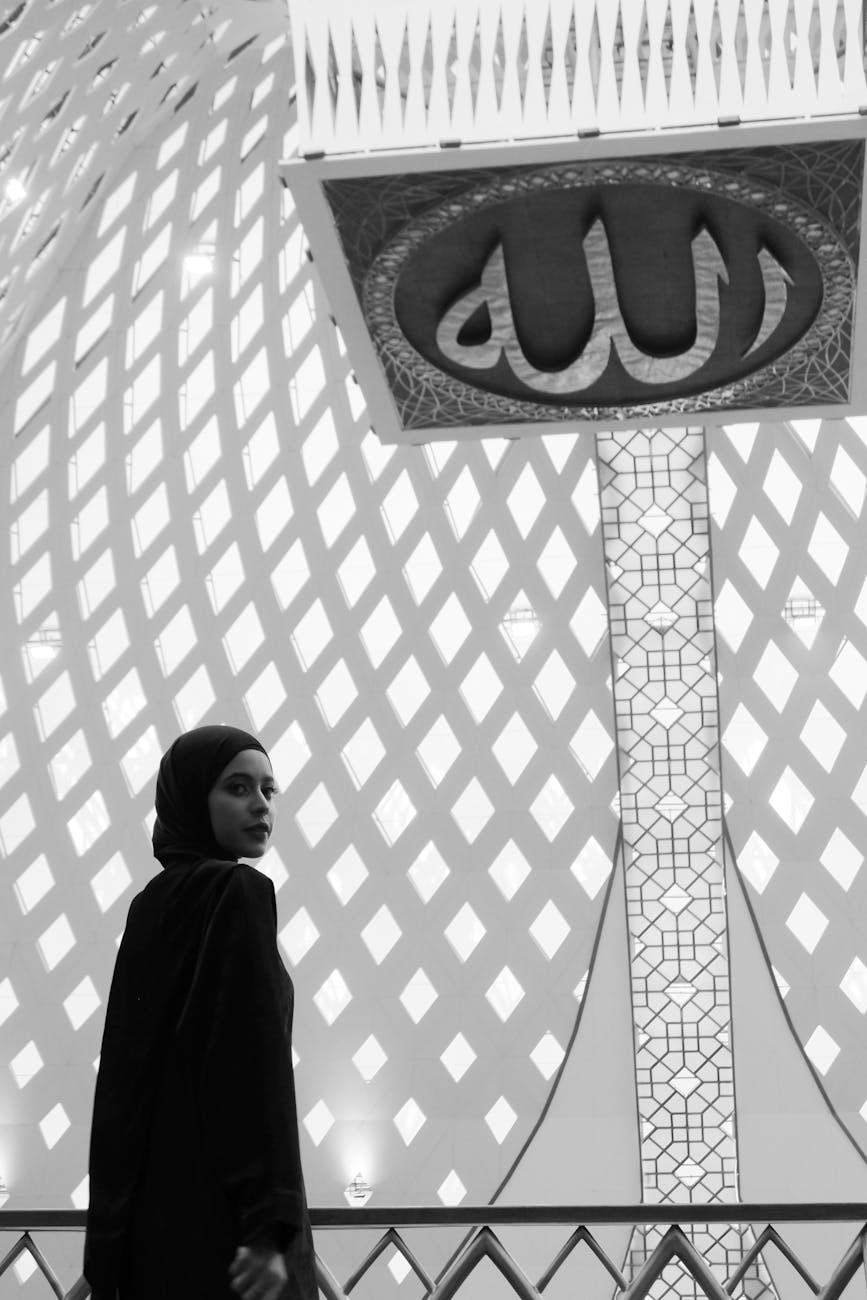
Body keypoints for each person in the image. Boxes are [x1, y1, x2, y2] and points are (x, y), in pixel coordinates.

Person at [83, 725, 318, 1300]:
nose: (260, 805)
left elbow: (120, 1088)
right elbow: (250, 1064)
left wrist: (103, 1251)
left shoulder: (150, 906)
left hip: (149, 1237)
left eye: (268, 790)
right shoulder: (238, 893)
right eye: (237, 787)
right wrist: (269, 1224)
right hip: (232, 1234)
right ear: (192, 797)